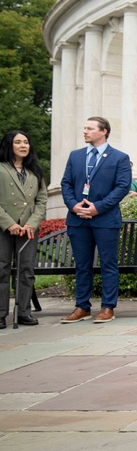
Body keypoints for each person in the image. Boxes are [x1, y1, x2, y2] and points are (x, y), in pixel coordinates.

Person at [59, 116, 132, 325]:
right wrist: (74, 205)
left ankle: (108, 307)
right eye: (84, 128)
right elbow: (66, 184)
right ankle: (82, 307)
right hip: (78, 219)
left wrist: (97, 208)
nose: (85, 131)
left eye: (90, 128)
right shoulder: (75, 156)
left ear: (104, 131)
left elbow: (122, 187)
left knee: (108, 264)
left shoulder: (119, 157)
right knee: (82, 265)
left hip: (105, 220)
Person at [0, 130, 47, 328]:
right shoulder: (1, 168)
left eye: (26, 142)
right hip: (4, 227)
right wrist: (8, 223)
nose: (23, 145)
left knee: (26, 269)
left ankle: (24, 312)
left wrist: (32, 223)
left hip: (28, 228)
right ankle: (1, 314)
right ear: (9, 145)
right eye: (18, 142)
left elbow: (42, 200)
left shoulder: (35, 171)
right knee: (1, 268)